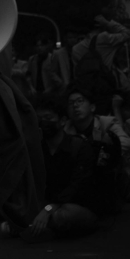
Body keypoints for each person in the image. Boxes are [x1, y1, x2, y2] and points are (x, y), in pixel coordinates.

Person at [14, 95, 99, 242]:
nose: (43, 122)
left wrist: (49, 208)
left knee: (64, 215)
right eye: (39, 118)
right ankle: (40, 228)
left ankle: (34, 228)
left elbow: (77, 188)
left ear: (62, 121)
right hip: (48, 205)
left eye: (48, 117)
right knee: (14, 208)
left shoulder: (79, 147)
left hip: (77, 206)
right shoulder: (38, 150)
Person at [64, 88, 130, 215]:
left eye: (80, 101)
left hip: (108, 175)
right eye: (71, 103)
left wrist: (96, 150)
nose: (75, 105)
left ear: (92, 107)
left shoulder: (106, 122)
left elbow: (125, 142)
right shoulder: (66, 130)